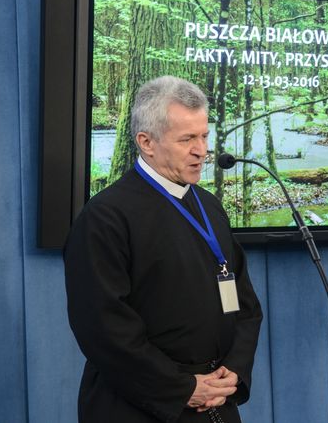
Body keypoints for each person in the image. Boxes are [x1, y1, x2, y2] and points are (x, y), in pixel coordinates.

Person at [64, 75, 262, 423]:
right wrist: (182, 388)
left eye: (204, 135)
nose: (202, 150)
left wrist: (235, 369)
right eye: (187, 139)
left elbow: (245, 305)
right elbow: (103, 329)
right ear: (146, 142)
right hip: (140, 406)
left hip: (216, 400)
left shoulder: (210, 206)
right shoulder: (105, 218)